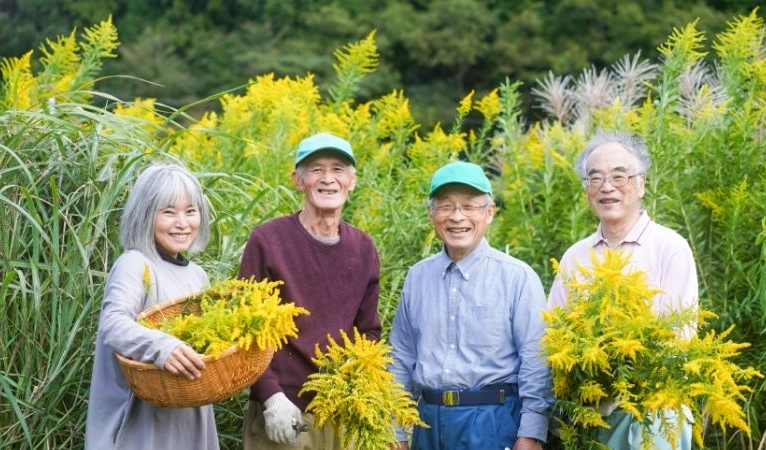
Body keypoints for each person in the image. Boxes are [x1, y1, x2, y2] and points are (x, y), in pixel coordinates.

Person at [547, 129, 699, 449]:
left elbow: (678, 339)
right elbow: (554, 335)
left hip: (656, 414)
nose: (607, 187)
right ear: (587, 189)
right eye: (595, 178)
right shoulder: (574, 258)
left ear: (641, 184)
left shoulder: (670, 247)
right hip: (590, 415)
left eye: (619, 176)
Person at [389, 161, 553, 450]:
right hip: (428, 423)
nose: (457, 216)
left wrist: (531, 433)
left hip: (493, 422)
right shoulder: (417, 277)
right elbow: (401, 357)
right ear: (431, 214)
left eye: (469, 206)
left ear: (489, 213)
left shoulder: (517, 277)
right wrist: (395, 430)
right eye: (445, 206)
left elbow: (536, 361)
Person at [239, 132, 382, 449]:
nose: (328, 179)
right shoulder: (268, 241)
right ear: (298, 180)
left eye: (338, 169)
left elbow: (369, 331)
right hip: (283, 413)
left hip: (342, 410)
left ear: (352, 181)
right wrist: (271, 396)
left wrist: (355, 377)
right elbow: (247, 331)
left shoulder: (364, 249)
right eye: (316, 169)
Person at [86, 163, 217, 449]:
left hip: (188, 427)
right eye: (168, 212)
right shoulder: (135, 264)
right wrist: (163, 347)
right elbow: (112, 324)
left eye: (190, 211)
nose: (182, 223)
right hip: (138, 433)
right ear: (145, 215)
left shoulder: (198, 276)